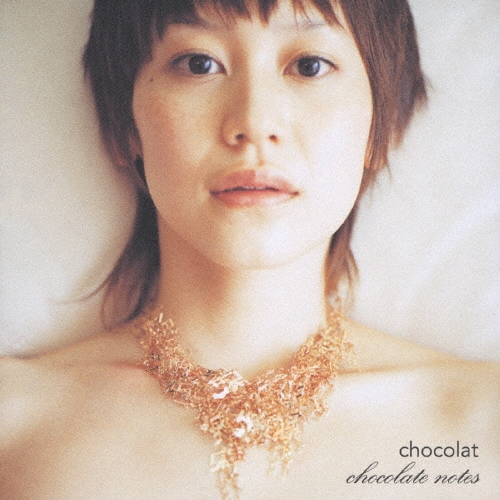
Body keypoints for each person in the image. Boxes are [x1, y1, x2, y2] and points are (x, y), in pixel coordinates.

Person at [1, 0, 498, 499]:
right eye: (199, 64)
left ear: (381, 128)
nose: (254, 123)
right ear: (126, 126)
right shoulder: (15, 421)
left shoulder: (484, 425)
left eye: (309, 66)